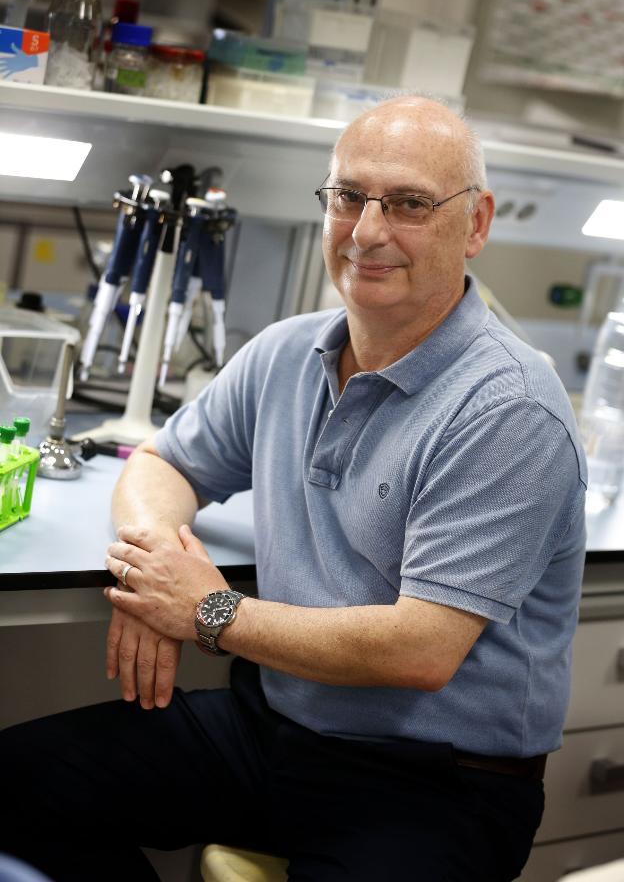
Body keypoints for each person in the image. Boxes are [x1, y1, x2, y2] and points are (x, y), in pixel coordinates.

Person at [0, 96, 586, 882]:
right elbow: (161, 464)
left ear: (475, 224)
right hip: (274, 729)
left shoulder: (506, 407)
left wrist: (208, 610)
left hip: (437, 783)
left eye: (409, 203)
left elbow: (420, 649)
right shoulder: (285, 354)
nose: (369, 231)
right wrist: (155, 574)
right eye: (348, 196)